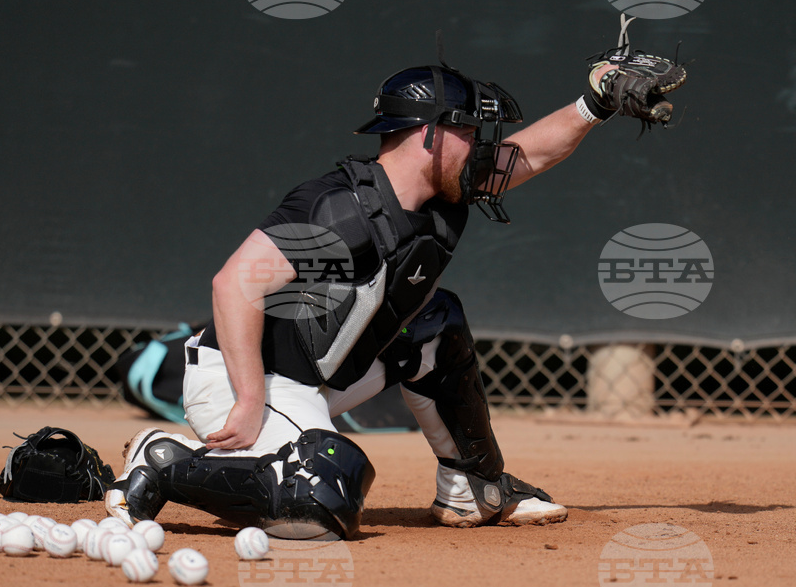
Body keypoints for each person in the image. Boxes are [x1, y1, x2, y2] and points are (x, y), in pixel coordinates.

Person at [105, 34, 685, 539]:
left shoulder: (441, 192)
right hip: (245, 384)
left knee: (437, 320)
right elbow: (234, 283)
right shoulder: (341, 209)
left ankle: (474, 486)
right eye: (467, 129)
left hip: (323, 378)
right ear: (429, 135)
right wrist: (251, 399)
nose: (481, 143)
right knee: (321, 503)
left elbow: (529, 153)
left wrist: (596, 103)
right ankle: (165, 462)